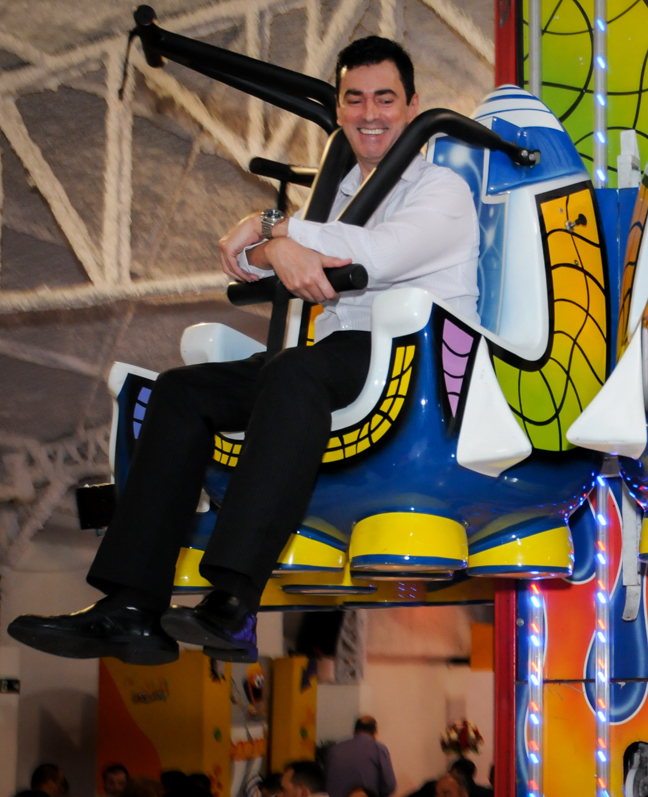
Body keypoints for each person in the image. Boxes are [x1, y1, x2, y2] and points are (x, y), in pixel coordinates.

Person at [7, 35, 480, 664]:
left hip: (411, 358)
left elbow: (375, 253)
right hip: (338, 356)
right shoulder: (336, 196)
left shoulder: (440, 190)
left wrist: (273, 229)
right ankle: (129, 607)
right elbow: (251, 267)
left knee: (293, 372)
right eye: (355, 99)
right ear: (340, 110)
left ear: (413, 106)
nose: (370, 113)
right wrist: (277, 244)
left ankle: (232, 601)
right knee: (180, 393)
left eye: (385, 99)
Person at [325, 716, 397, 797]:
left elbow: (326, 783)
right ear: (375, 734)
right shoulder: (379, 749)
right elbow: (389, 787)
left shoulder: (333, 750)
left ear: (354, 733)